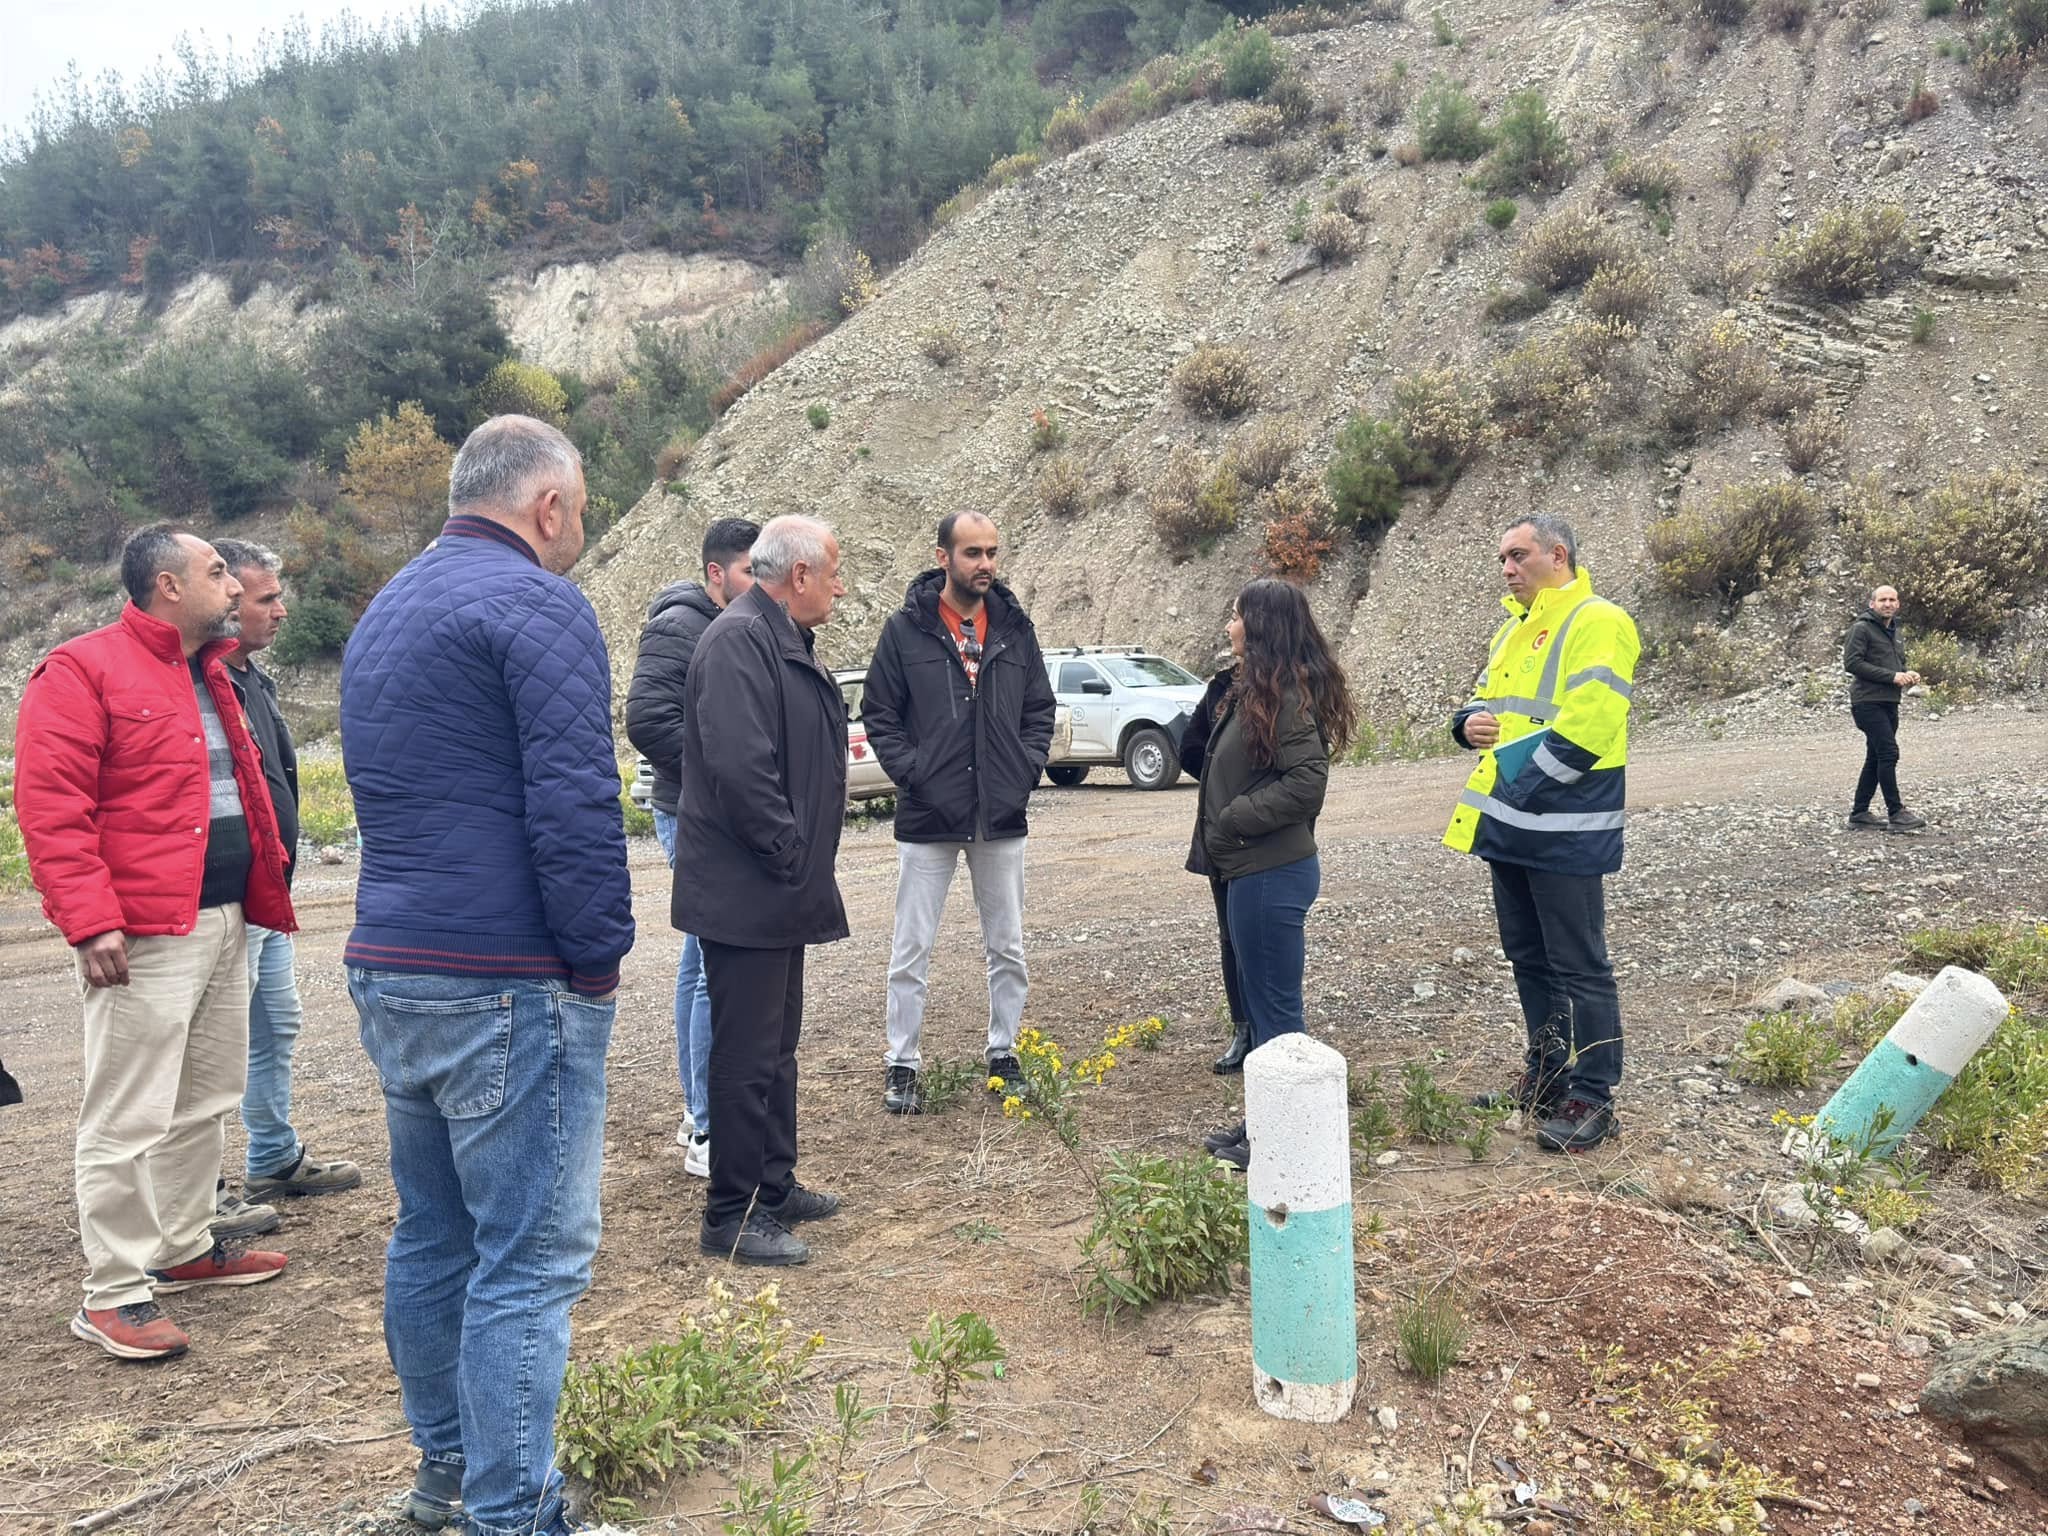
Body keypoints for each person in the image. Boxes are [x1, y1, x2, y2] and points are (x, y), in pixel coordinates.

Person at [340, 415, 633, 1536]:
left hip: (396, 963)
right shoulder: (537, 604)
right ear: (547, 506)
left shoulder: (389, 608)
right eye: (581, 508)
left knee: (432, 1237)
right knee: (529, 1260)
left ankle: (449, 1482)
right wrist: (597, 958)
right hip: (507, 979)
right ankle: (515, 1516)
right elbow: (572, 804)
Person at [15, 523, 295, 1362]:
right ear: (168, 587)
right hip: (141, 933)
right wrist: (90, 918)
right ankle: (112, 1290)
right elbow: (52, 806)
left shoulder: (214, 672)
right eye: (217, 573)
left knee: (206, 1096)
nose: (235, 589)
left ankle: (182, 1246)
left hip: (222, 917)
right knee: (128, 1113)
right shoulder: (81, 669)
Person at [673, 515, 849, 1267]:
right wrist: (790, 853)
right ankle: (732, 1216)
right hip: (750, 891)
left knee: (776, 1052)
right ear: (799, 575)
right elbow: (744, 770)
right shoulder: (740, 641)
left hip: (777, 890)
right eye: (834, 571)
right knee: (745, 1059)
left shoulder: (777, 637)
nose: (842, 586)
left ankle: (773, 1187)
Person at [1444, 513, 1639, 1155]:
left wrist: (1518, 788)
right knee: (1528, 956)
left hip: (1564, 825)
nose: (1506, 569)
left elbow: (1590, 723)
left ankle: (1594, 1093)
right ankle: (1551, 1074)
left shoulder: (1599, 621)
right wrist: (1466, 722)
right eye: (1501, 558)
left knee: (1580, 964)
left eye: (1517, 556)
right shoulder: (1512, 630)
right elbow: (1484, 702)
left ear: (1558, 555)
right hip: (1513, 824)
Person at [862, 512, 1056, 1115]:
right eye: (973, 553)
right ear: (943, 557)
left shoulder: (1015, 630)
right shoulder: (905, 631)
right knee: (912, 947)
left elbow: (1040, 710)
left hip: (1001, 816)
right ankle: (902, 1064)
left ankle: (1004, 1053)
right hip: (929, 818)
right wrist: (917, 776)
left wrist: (1022, 772)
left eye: (993, 552)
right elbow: (880, 715)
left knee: (1008, 946)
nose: (986, 565)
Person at [212, 539, 363, 1220]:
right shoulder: (199, 679)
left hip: (265, 897)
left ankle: (271, 1155)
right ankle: (200, 1192)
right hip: (222, 901)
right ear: (224, 599)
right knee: (212, 1047)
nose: (281, 610)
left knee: (274, 1024)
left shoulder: (250, 678)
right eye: (265, 598)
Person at [1193, 580, 1354, 1171]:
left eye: (1236, 617)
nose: (1230, 627)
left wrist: (1235, 819)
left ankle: (1287, 1138)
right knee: (1263, 1010)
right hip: (1252, 871)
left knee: (1279, 1016)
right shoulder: (1257, 690)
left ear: (1259, 626)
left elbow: (1307, 782)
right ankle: (1264, 1121)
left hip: (1270, 873)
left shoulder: (1286, 696)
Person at [624, 515, 760, 1175]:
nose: (758, 581)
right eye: (747, 569)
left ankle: (695, 1114)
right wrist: (721, 781)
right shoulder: (679, 626)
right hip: (693, 813)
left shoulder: (727, 623)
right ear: (715, 573)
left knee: (696, 958)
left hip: (702, 808)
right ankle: (709, 1131)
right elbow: (647, 719)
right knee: (715, 964)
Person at [1178, 657, 1254, 1075]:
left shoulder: (1293, 682)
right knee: (1231, 936)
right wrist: (1220, 785)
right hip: (1221, 833)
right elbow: (1190, 747)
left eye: (1237, 615)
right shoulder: (1222, 685)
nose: (1229, 625)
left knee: (1261, 935)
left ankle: (1271, 1030)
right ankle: (1244, 1029)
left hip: (1267, 834)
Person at [1843, 585, 1927, 833]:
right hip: (1867, 702)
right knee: (1889, 753)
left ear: (1898, 604)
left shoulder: (1895, 630)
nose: (1888, 603)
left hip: (1890, 701)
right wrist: (1892, 676)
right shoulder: (1861, 628)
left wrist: (1907, 672)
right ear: (1872, 604)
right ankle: (1896, 812)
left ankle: (1859, 814)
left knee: (1876, 756)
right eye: (1883, 600)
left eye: (1892, 600)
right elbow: (1853, 663)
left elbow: (1896, 663)